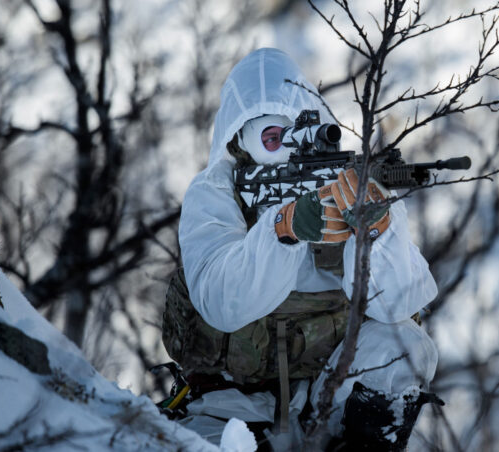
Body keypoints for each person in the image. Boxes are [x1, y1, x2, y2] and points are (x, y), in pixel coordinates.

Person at [161, 48, 440, 450]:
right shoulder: (215, 192)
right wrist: (282, 229)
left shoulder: (345, 186)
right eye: (272, 138)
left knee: (405, 345)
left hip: (326, 405)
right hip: (228, 409)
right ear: (240, 139)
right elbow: (222, 302)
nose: (289, 146)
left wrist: (378, 233)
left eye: (296, 133)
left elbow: (399, 306)